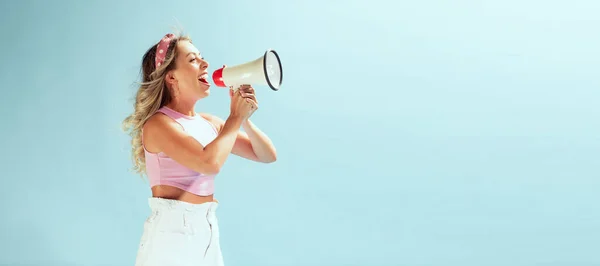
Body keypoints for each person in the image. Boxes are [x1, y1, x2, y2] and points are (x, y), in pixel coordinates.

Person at [122, 32, 277, 266]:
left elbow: (266, 155)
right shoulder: (158, 124)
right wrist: (235, 117)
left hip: (206, 231)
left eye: (202, 57)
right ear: (171, 77)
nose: (205, 63)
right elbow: (208, 163)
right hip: (170, 233)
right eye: (193, 60)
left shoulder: (210, 123)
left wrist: (244, 118)